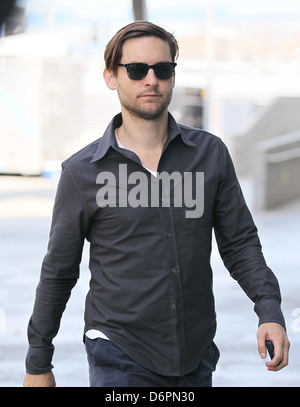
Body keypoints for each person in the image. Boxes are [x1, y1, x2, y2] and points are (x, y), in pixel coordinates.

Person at [23, 21, 290, 388]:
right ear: (111, 77)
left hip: (195, 356)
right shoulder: (82, 172)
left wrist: (269, 311)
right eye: (136, 70)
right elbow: (59, 271)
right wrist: (38, 361)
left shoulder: (210, 156)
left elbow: (240, 244)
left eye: (162, 69)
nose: (151, 80)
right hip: (119, 355)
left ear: (173, 77)